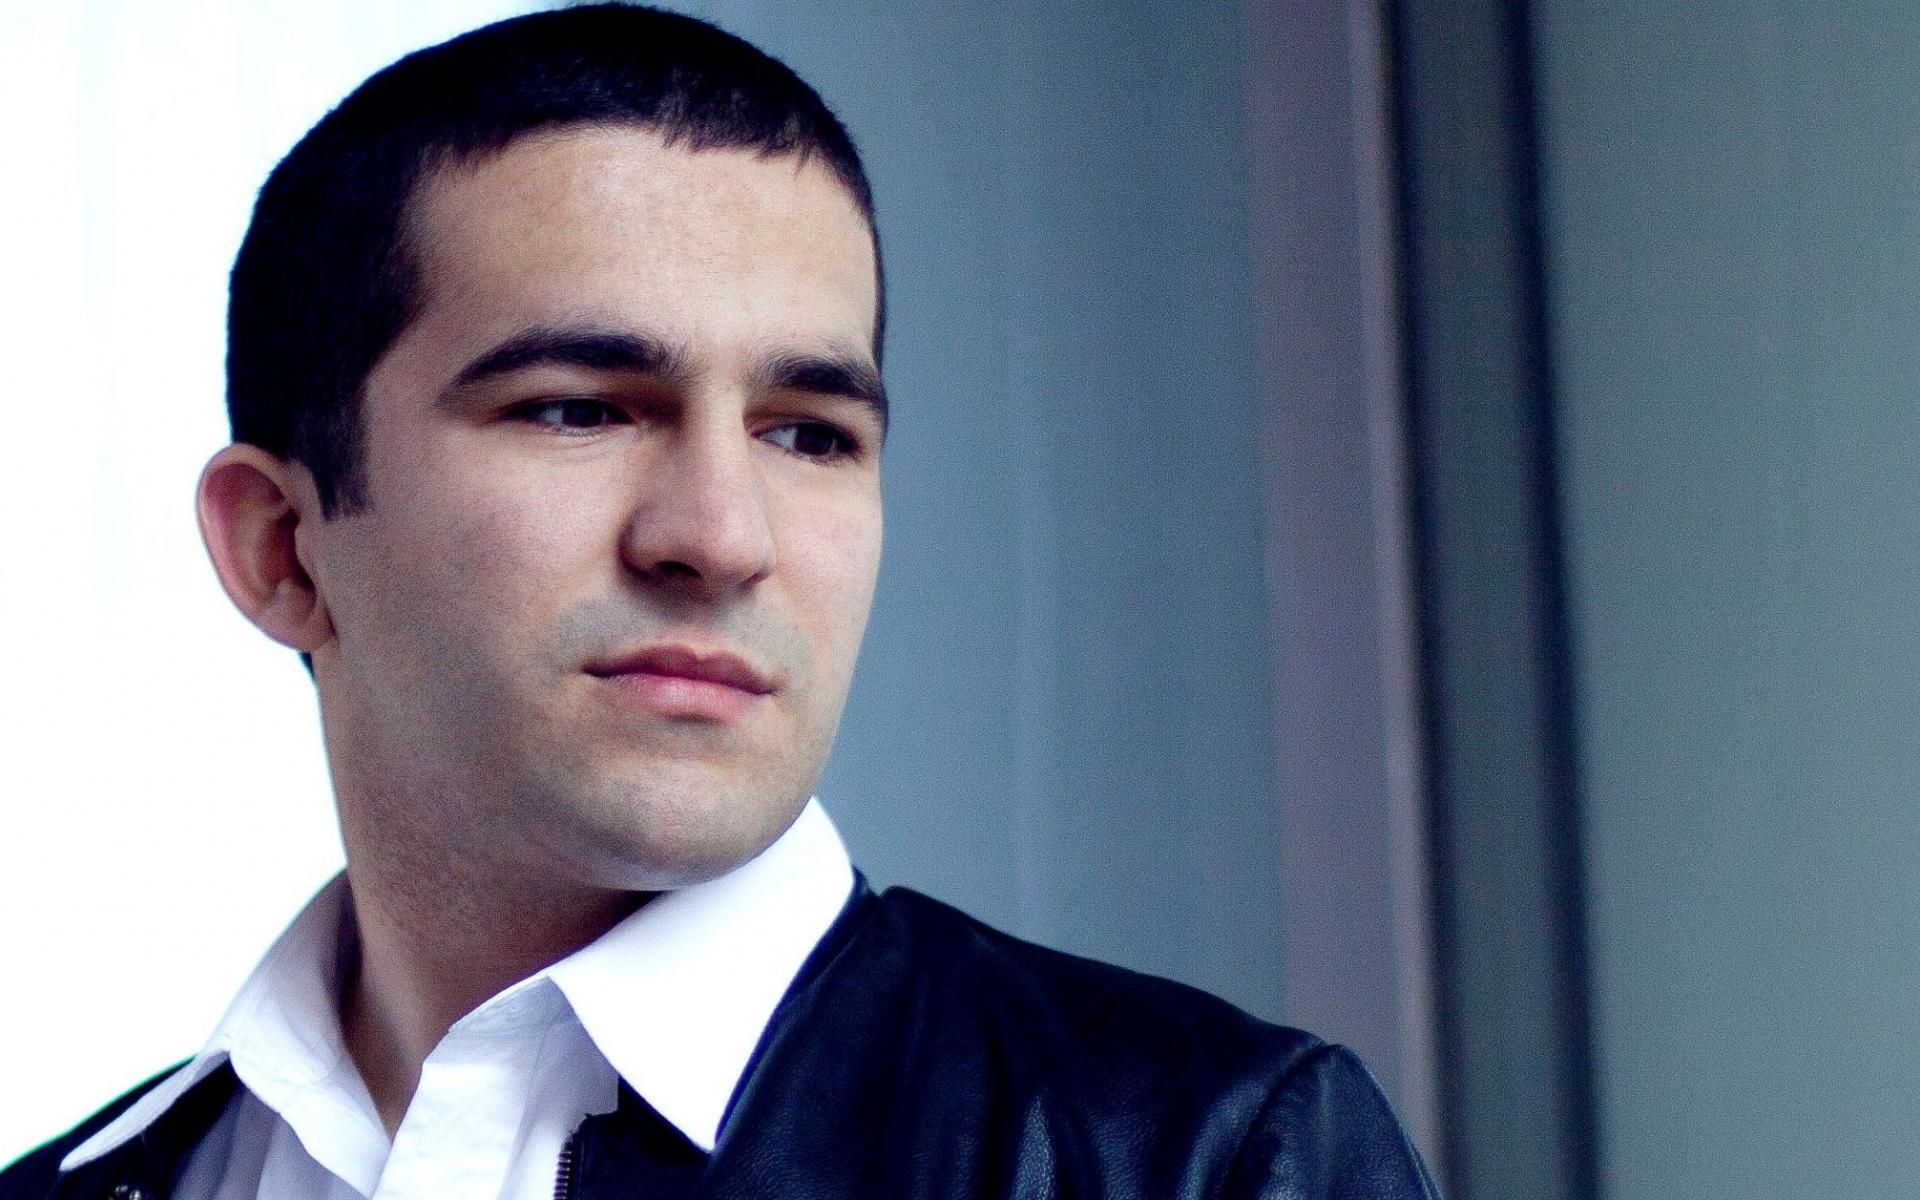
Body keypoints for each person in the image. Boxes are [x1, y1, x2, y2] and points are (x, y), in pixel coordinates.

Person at [0, 6, 1439, 1198]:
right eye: (578, 409)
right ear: (283, 550)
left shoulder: (1211, 1160)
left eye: (809, 433)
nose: (723, 536)